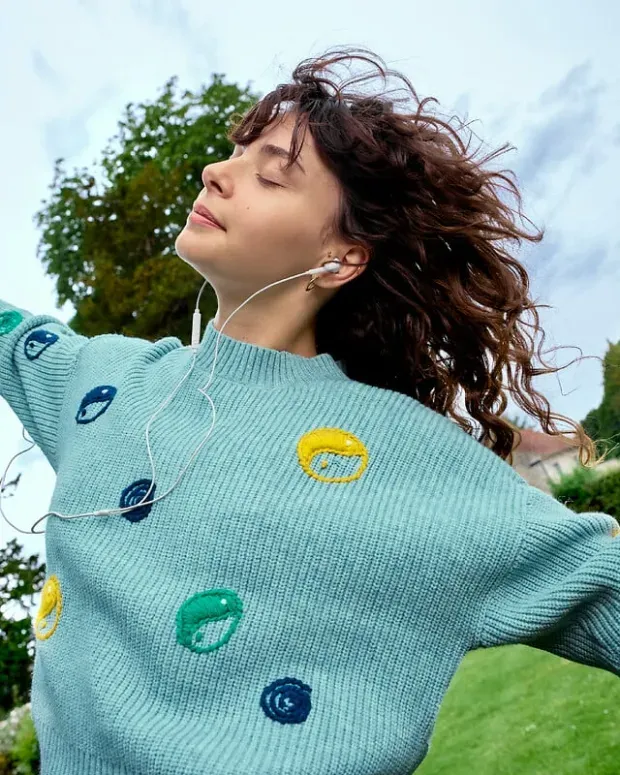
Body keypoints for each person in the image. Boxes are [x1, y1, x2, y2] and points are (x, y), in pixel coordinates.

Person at [0, 45, 618, 775]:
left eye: (270, 175)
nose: (216, 172)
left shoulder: (406, 455)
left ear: (340, 258)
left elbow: (599, 582)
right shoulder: (101, 382)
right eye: (234, 153)